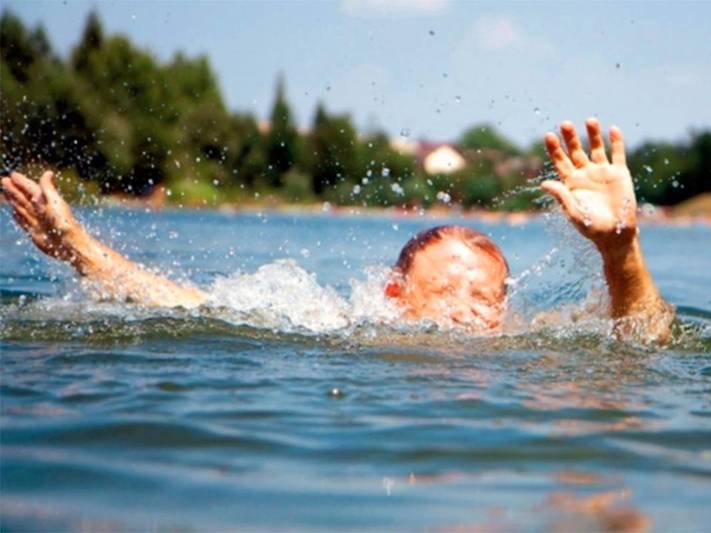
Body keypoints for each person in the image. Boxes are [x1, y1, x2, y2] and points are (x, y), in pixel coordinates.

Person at [1, 119, 673, 342]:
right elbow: (186, 306)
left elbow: (646, 337)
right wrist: (78, 249)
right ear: (392, 295)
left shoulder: (526, 343)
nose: (470, 314)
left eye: (486, 300)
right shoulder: (336, 323)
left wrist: (621, 250)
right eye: (448, 294)